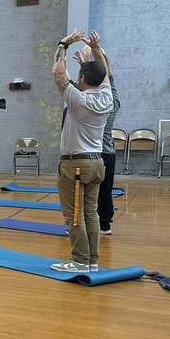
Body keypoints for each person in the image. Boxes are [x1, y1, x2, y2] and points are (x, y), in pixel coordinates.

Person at [50, 30, 114, 273]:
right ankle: (92, 261)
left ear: (83, 78)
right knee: (91, 213)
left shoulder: (78, 99)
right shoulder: (106, 96)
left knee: (74, 215)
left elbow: (58, 72)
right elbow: (105, 73)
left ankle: (79, 262)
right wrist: (96, 49)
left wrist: (63, 43)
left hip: (75, 165)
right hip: (96, 163)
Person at [85, 32, 120, 235]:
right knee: (105, 190)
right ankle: (104, 224)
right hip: (108, 154)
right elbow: (109, 78)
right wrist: (99, 53)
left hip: (93, 153)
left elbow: (101, 80)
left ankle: (84, 224)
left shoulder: (87, 102)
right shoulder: (112, 103)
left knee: (87, 192)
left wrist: (89, 57)